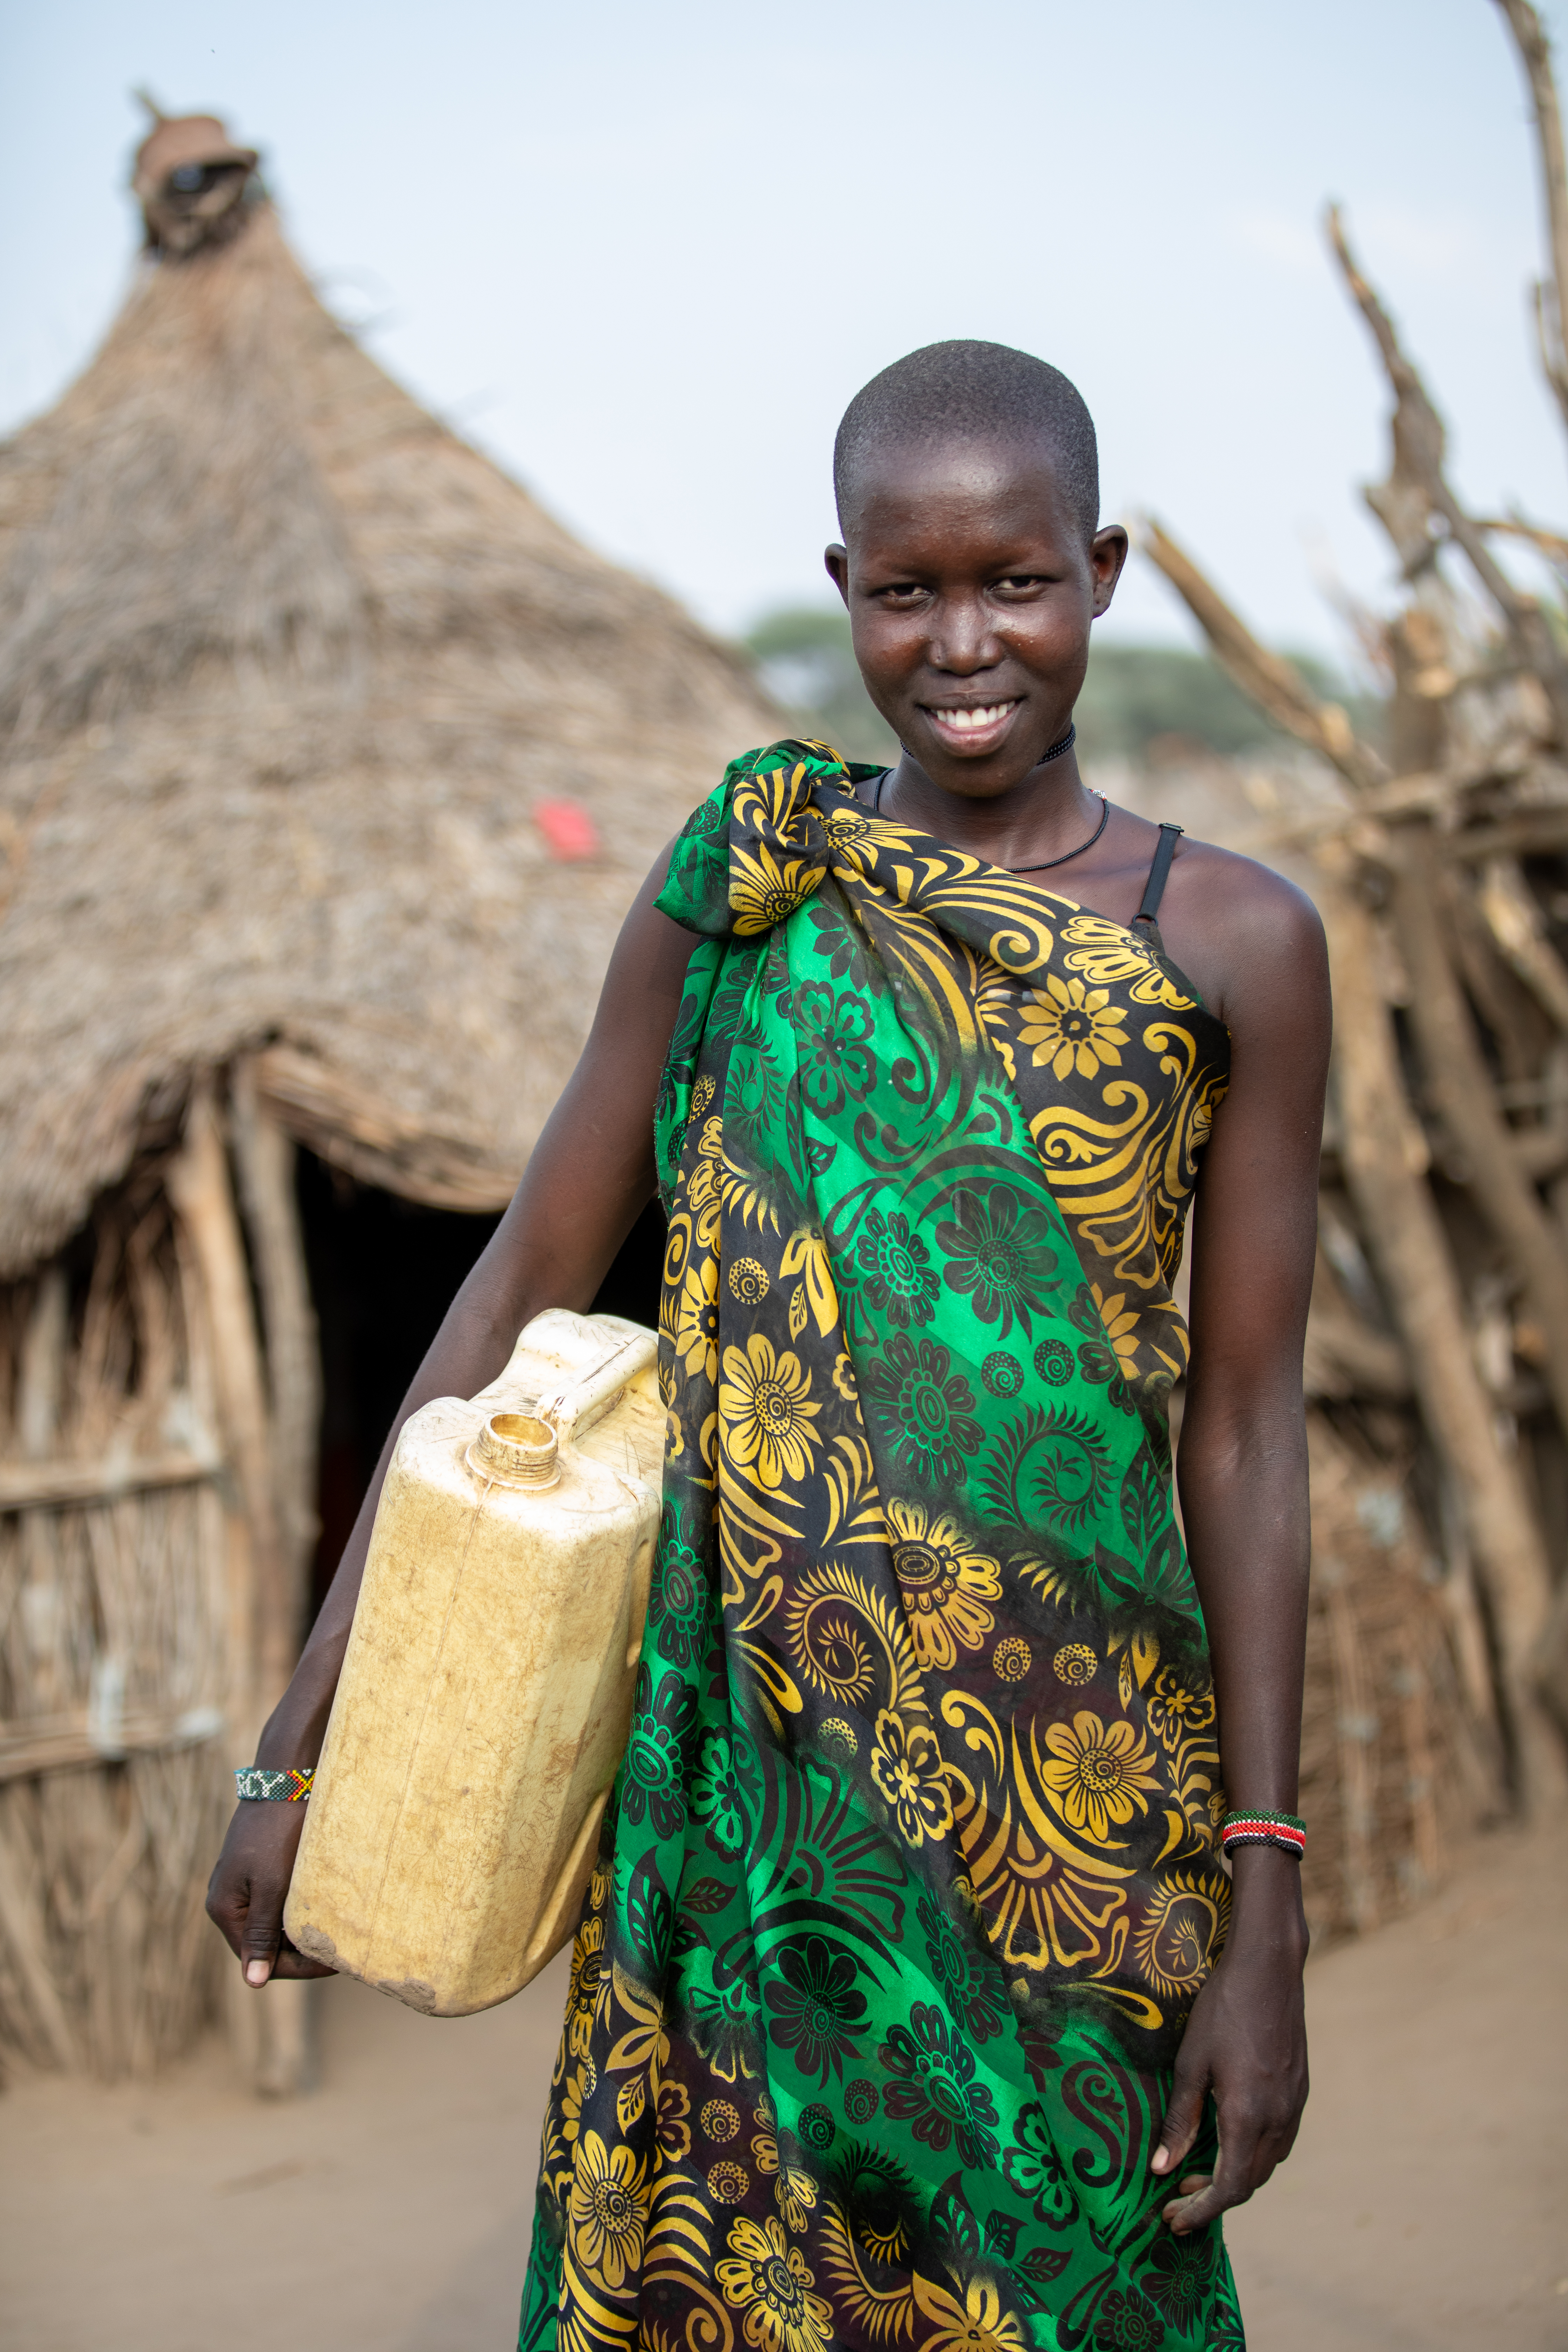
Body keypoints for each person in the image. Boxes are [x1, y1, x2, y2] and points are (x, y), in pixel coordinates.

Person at [209, 340, 1327, 2351]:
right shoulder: (745, 894)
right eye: (909, 589)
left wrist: (1267, 1890)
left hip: (1075, 1839)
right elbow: (508, 1302)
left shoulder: (1230, 941)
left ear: (1108, 572)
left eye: (1020, 582)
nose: (964, 640)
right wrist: (309, 1735)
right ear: (843, 586)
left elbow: (1247, 1430)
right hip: (741, 1829)